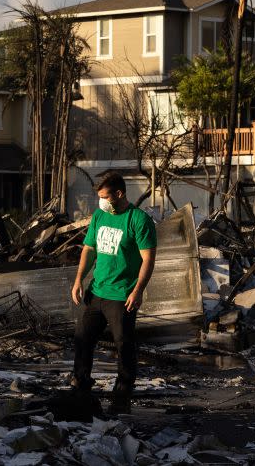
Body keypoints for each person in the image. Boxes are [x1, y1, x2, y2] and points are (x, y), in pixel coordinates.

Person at [70, 173, 157, 415]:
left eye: (105, 197)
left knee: (124, 345)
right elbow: (89, 249)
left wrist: (138, 290)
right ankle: (81, 386)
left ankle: (122, 394)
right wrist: (79, 279)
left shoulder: (138, 220)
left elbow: (148, 260)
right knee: (82, 338)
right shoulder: (99, 215)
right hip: (97, 291)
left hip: (122, 296)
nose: (101, 202)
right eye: (99, 197)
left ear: (119, 194)